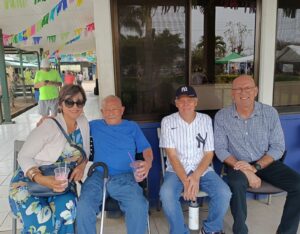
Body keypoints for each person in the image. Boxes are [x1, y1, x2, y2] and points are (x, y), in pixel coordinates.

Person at [214, 75, 300, 234]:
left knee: (298, 185)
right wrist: (246, 170)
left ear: (255, 91)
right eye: (238, 89)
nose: (243, 92)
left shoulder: (270, 113)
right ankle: (240, 231)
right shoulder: (222, 116)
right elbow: (220, 149)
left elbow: (278, 146)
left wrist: (256, 167)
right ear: (232, 93)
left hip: (266, 162)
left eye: (247, 88)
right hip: (237, 164)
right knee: (237, 184)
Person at [9, 85, 90, 233]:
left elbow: (85, 152)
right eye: (69, 102)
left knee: (68, 209)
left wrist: (81, 166)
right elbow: (24, 156)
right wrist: (41, 179)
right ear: (60, 104)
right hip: (30, 180)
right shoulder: (49, 125)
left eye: (79, 102)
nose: (75, 107)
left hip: (60, 183)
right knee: (42, 221)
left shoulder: (83, 122)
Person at [159, 85, 231, 234]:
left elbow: (209, 153)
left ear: (196, 102)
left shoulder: (205, 120)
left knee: (224, 192)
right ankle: (179, 231)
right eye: (182, 100)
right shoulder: (167, 121)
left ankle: (211, 229)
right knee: (166, 194)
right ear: (176, 103)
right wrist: (186, 181)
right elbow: (172, 156)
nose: (186, 103)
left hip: (203, 170)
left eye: (190, 100)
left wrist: (196, 177)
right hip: (176, 171)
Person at [77, 95, 153, 234]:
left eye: (115, 109)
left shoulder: (132, 127)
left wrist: (147, 163)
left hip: (125, 176)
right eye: (107, 109)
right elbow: (72, 125)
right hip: (98, 176)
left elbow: (146, 149)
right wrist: (51, 120)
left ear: (122, 110)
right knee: (83, 206)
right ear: (102, 111)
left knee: (138, 205)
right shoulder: (93, 125)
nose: (111, 112)